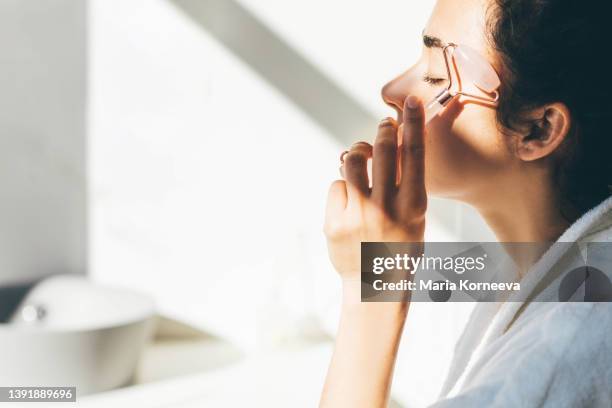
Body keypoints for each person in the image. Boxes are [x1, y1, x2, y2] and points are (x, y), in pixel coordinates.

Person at [319, 0, 612, 406]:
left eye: (436, 75)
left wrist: (370, 286)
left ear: (538, 128)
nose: (391, 92)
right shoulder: (535, 274)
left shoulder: (567, 344)